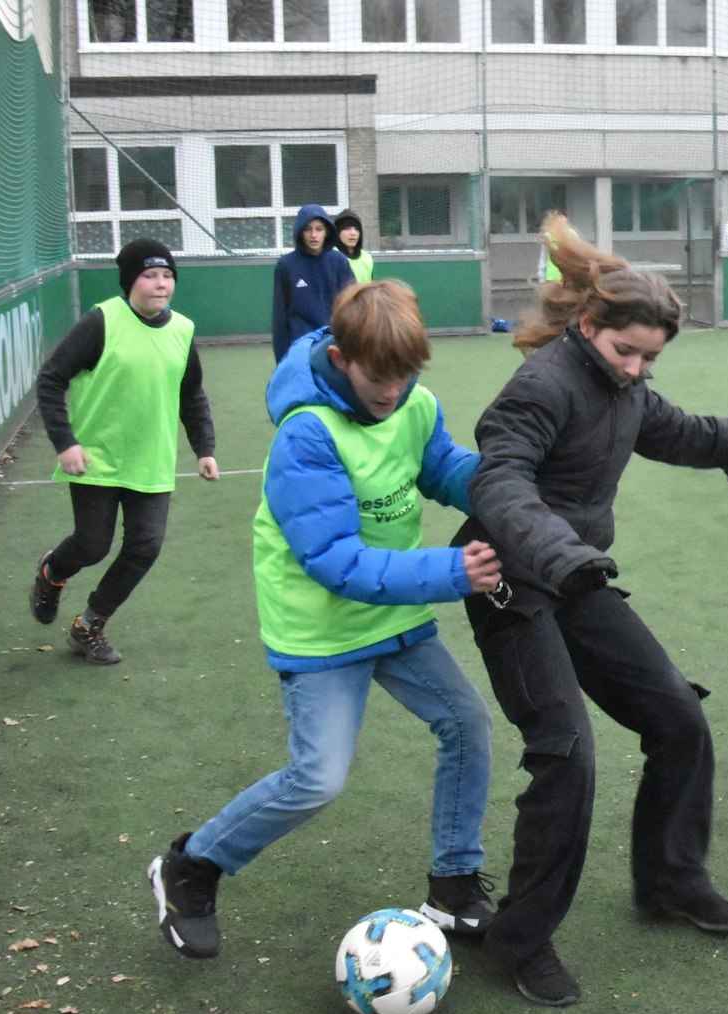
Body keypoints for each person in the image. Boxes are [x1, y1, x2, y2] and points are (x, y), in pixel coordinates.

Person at [457, 217, 728, 1007]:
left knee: (678, 719)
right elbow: (500, 483)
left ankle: (670, 881)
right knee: (567, 752)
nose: (638, 369)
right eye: (628, 351)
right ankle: (520, 939)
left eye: (651, 358)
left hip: (577, 579)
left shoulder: (625, 389)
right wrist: (560, 552)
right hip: (510, 583)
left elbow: (695, 435)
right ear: (589, 326)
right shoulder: (541, 387)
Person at [147, 280, 504, 961]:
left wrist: (499, 481)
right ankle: (191, 866)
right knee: (318, 777)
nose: (392, 389)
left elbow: (442, 467)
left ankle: (453, 884)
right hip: (320, 630)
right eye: (378, 375)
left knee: (466, 721)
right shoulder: (306, 434)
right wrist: (454, 573)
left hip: (392, 618)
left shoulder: (415, 404)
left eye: (406, 374)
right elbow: (335, 560)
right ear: (341, 357)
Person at [28, 238, 218, 666]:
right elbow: (52, 379)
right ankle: (51, 573)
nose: (161, 284)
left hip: (150, 462)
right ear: (130, 280)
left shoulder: (183, 330)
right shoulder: (102, 321)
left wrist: (204, 448)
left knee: (145, 546)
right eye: (150, 275)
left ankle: (89, 625)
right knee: (93, 546)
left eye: (168, 276)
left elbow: (192, 396)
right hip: (97, 459)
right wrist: (66, 442)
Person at [272, 204, 355, 361]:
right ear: (300, 232)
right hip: (301, 350)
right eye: (307, 229)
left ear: (327, 231)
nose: (313, 235)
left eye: (319, 229)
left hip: (334, 347)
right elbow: (280, 318)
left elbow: (353, 308)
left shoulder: (339, 262)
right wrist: (282, 361)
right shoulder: (286, 265)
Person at [332, 208, 374, 284]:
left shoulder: (367, 258)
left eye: (357, 229)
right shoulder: (330, 257)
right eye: (347, 228)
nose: (353, 233)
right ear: (337, 232)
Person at [533, 208, 572, 284]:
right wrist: (542, 279)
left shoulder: (572, 235)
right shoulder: (548, 236)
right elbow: (543, 259)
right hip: (553, 279)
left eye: (563, 218)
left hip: (569, 278)